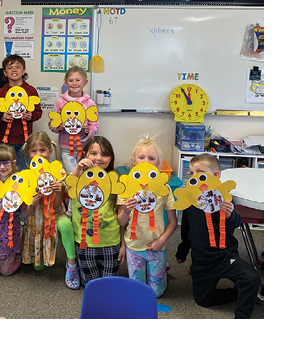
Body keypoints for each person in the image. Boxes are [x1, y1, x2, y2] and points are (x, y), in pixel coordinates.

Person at [175, 153, 261, 319]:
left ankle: (242, 317)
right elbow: (186, 228)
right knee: (203, 300)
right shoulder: (191, 200)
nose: (195, 177)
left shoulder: (223, 198)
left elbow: (236, 222)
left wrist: (230, 214)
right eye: (191, 174)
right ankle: (236, 293)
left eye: (200, 172)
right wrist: (182, 251)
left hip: (225, 256)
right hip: (202, 260)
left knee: (251, 279)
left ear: (216, 175)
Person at [117, 135, 177, 297]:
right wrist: (127, 210)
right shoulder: (126, 188)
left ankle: (162, 273)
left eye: (151, 158)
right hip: (134, 247)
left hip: (156, 247)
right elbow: (121, 222)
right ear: (134, 161)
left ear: (158, 164)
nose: (146, 161)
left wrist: (161, 241)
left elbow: (173, 222)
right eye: (141, 157)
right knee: (138, 292)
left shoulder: (164, 189)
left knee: (156, 293)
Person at [68, 136, 126, 287]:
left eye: (104, 154)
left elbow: (121, 218)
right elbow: (67, 189)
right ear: (85, 154)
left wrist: (123, 245)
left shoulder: (115, 180)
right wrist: (78, 168)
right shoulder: (78, 177)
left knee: (109, 285)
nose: (99, 158)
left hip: (110, 242)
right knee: (90, 284)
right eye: (94, 153)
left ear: (111, 158)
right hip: (84, 243)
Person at [21, 132, 70, 274]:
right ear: (28, 153)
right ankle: (38, 256)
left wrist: (59, 190)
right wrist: (32, 199)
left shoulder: (58, 172)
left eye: (42, 150)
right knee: (38, 267)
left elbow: (55, 206)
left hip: (52, 215)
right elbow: (26, 211)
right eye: (34, 151)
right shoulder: (27, 175)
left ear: (50, 150)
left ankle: (65, 259)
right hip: (35, 219)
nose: (39, 155)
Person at [49, 66, 99, 175]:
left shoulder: (89, 103)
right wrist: (58, 128)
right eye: (70, 80)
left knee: (86, 175)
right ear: (66, 83)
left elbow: (95, 126)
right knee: (72, 175)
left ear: (85, 82)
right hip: (66, 148)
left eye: (78, 80)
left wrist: (89, 130)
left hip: (86, 147)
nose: (74, 83)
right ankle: (71, 192)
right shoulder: (60, 102)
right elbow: (51, 123)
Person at [0, 55, 42, 171]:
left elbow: (38, 112)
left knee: (24, 170)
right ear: (5, 73)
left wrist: (31, 116)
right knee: (6, 170)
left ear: (24, 71)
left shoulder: (31, 90)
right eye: (10, 67)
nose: (14, 70)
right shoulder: (2, 92)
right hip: (6, 140)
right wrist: (2, 117)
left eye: (18, 67)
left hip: (25, 141)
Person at [0, 144, 22, 276]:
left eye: (6, 163)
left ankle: (18, 256)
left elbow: (21, 202)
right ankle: (4, 258)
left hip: (10, 225)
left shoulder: (17, 180)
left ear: (13, 162)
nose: (2, 167)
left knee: (5, 272)